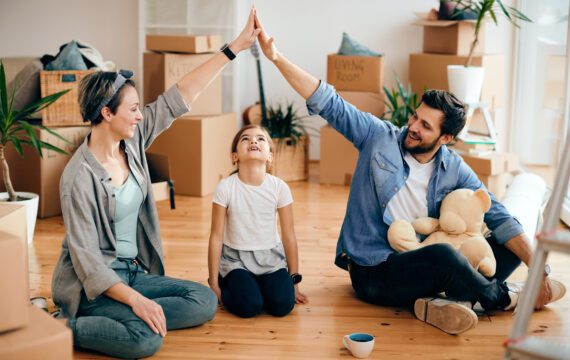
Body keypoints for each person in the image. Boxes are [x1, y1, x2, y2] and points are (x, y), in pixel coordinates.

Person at [253, 12, 566, 335]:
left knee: (506, 249)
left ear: (446, 139)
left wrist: (538, 268)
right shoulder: (378, 138)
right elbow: (328, 100)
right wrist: (275, 57)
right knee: (444, 256)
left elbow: (499, 217)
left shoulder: (453, 166)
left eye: (425, 126)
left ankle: (442, 303)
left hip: (421, 259)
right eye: (415, 117)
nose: (412, 127)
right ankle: (502, 299)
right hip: (376, 272)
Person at [50, 8, 262, 358]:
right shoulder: (78, 178)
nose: (139, 115)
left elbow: (180, 96)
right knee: (145, 341)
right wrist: (137, 302)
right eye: (132, 108)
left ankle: (133, 316)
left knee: (204, 300)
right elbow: (88, 262)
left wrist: (234, 48)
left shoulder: (129, 142)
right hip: (93, 286)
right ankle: (64, 325)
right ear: (106, 113)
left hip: (134, 273)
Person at [207, 124, 309, 318]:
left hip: (270, 259)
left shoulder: (279, 188)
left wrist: (294, 282)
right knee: (249, 307)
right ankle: (232, 282)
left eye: (260, 138)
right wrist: (213, 283)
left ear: (270, 156)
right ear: (234, 157)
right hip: (236, 260)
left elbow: (289, 236)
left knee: (283, 306)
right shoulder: (225, 188)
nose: (253, 140)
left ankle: (259, 286)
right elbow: (216, 237)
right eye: (245, 138)